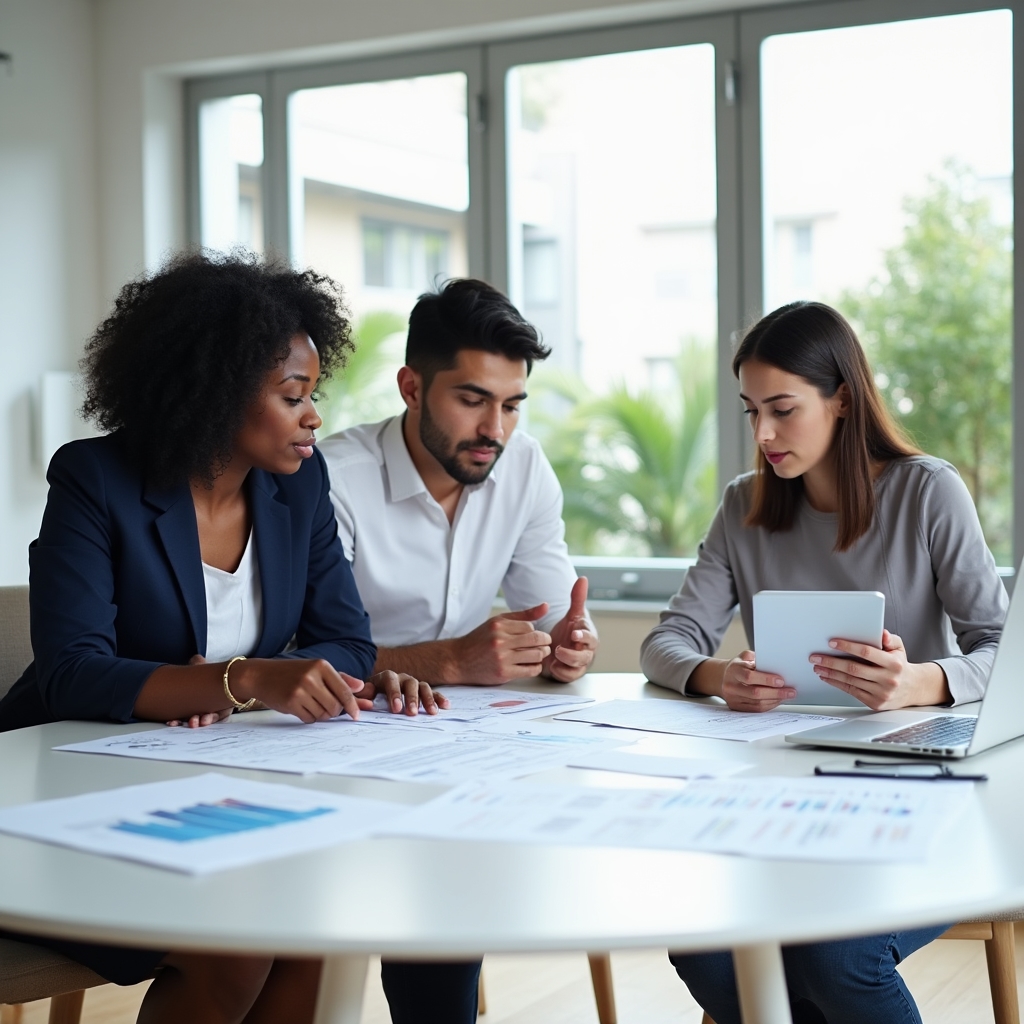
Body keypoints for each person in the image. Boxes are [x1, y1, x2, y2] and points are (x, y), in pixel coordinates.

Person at [0, 252, 442, 1024]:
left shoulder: (297, 484)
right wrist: (242, 680)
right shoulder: (95, 479)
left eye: (315, 395)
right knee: (240, 937)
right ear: (213, 392)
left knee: (306, 920)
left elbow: (345, 641)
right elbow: (71, 672)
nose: (314, 418)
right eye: (292, 395)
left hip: (213, 789)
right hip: (61, 799)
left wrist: (257, 678)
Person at [641, 300, 1008, 1024]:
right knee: (702, 944)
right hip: (776, 796)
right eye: (751, 412)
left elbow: (1005, 650)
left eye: (782, 408)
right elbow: (667, 641)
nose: (764, 433)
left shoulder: (928, 492)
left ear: (841, 397)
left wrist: (921, 682)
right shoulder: (744, 505)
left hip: (917, 789)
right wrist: (722, 678)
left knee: (837, 957)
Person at [318, 277, 600, 1023]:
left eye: (511, 405)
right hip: (332, 751)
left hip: (460, 748)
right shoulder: (333, 477)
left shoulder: (524, 467)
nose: (495, 429)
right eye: (472, 399)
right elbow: (300, 647)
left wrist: (572, 646)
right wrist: (448, 662)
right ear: (412, 386)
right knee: (426, 863)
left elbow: (555, 608)